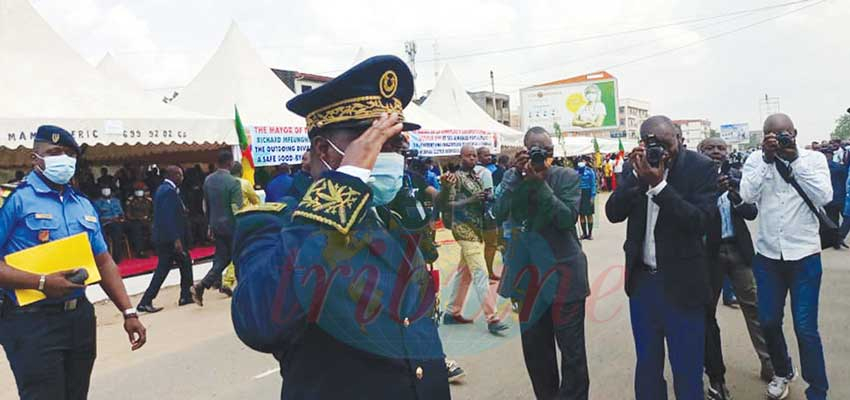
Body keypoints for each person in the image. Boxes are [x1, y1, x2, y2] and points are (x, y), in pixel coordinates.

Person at [230, 55, 450, 398]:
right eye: (373, 142)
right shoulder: (274, 224)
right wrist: (345, 182)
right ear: (325, 150)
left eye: (395, 145)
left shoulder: (387, 217)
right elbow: (260, 322)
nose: (388, 155)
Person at [0, 125, 146, 400]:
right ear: (35, 158)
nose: (63, 159)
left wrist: (129, 312)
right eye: (54, 152)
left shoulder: (83, 204)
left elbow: (103, 262)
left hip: (78, 318)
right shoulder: (12, 200)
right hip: (30, 322)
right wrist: (42, 283)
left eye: (69, 153)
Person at [605, 115, 716, 400]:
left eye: (668, 144)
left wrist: (660, 187)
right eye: (654, 144)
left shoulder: (700, 167)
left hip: (683, 285)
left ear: (678, 138)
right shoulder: (636, 166)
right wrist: (638, 181)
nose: (663, 152)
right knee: (647, 368)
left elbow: (700, 222)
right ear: (643, 143)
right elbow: (613, 213)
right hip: (643, 284)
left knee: (687, 369)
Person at [739, 113, 831, 400]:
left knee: (805, 328)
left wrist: (794, 161)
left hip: (804, 256)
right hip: (768, 257)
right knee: (767, 321)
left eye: (784, 134)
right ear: (764, 137)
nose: (778, 139)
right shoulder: (756, 160)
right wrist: (767, 161)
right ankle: (782, 371)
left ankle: (817, 389)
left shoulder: (814, 160)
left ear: (795, 132)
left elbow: (825, 196)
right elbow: (746, 195)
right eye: (771, 135)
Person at [495, 127, 590, 400]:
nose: (540, 158)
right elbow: (496, 212)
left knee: (572, 355)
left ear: (553, 154)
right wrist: (515, 175)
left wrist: (540, 184)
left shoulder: (567, 177)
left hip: (565, 277)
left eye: (546, 153)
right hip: (527, 282)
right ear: (523, 152)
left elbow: (566, 218)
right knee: (537, 355)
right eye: (534, 151)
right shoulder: (513, 179)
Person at [698, 137, 773, 400]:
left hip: (738, 251)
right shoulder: (694, 179)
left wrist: (736, 197)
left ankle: (769, 364)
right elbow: (692, 217)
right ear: (700, 151)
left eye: (721, 148)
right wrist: (714, 193)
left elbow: (751, 212)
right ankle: (712, 375)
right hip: (708, 255)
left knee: (754, 308)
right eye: (710, 148)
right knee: (706, 313)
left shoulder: (737, 176)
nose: (717, 152)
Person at [437, 144, 509, 333]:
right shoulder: (456, 178)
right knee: (480, 272)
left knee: (465, 273)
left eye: (474, 156)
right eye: (468, 156)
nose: (473, 159)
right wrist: (471, 200)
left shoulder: (476, 177)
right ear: (461, 157)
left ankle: (452, 311)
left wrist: (485, 197)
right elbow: (448, 204)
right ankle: (492, 318)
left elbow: (480, 199)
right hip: (463, 229)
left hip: (476, 229)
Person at [138, 166, 194, 313]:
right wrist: (176, 240)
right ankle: (147, 300)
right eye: (180, 175)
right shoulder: (167, 191)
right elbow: (168, 218)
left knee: (179, 265)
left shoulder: (164, 189)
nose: (182, 178)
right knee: (174, 266)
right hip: (169, 238)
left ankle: (185, 295)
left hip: (166, 237)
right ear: (174, 175)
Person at [192, 150, 243, 305]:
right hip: (232, 225)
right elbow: (237, 208)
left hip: (215, 224)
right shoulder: (233, 182)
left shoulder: (208, 180)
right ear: (230, 163)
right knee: (238, 257)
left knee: (222, 258)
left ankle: (203, 285)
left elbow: (205, 206)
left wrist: (209, 225)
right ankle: (243, 290)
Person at [220, 162, 261, 295]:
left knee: (231, 250)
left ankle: (225, 279)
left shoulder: (225, 184)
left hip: (226, 221)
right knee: (243, 249)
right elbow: (256, 201)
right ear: (241, 171)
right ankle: (229, 280)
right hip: (243, 220)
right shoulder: (244, 183)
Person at [476, 146, 500, 280]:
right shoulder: (485, 172)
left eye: (490, 155)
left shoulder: (467, 171)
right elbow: (489, 195)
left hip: (471, 213)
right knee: (491, 244)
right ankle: (489, 272)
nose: (489, 158)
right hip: (487, 213)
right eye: (486, 155)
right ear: (478, 156)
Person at [93, 183, 132, 263]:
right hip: (107, 224)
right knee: (116, 230)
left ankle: (140, 250)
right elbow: (97, 218)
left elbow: (121, 213)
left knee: (135, 226)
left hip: (119, 222)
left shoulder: (116, 201)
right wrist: (111, 219)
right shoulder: (97, 203)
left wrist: (121, 218)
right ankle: (116, 257)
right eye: (104, 189)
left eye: (108, 188)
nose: (106, 191)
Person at [823, 147, 848, 249]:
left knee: (833, 220)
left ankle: (835, 241)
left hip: (829, 198)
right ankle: (839, 238)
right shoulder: (839, 167)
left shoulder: (821, 169)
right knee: (846, 219)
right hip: (841, 196)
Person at [125, 181, 153, 258]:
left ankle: (156, 248)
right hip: (135, 221)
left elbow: (152, 212)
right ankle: (140, 251)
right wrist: (137, 218)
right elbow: (128, 214)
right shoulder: (130, 201)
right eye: (138, 190)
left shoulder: (148, 200)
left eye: (141, 190)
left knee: (153, 227)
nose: (139, 192)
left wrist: (149, 218)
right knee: (137, 230)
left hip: (147, 220)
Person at [575, 157, 597, 239]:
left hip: (588, 193)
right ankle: (584, 233)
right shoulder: (576, 172)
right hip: (579, 194)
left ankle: (590, 234)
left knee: (589, 215)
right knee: (582, 215)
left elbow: (593, 184)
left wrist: (592, 196)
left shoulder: (590, 172)